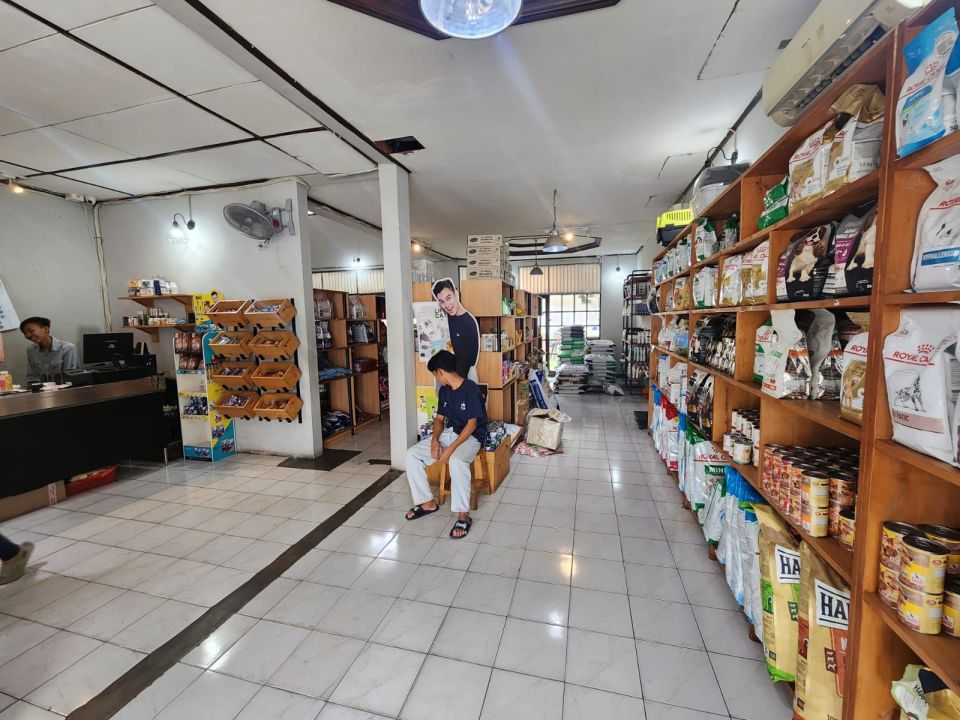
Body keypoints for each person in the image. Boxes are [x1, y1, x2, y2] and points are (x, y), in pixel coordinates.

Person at [405, 350, 488, 539]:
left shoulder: (470, 388)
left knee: (457, 461)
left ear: (440, 372)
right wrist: (435, 441)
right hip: (451, 433)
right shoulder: (444, 390)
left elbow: (472, 424)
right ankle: (427, 503)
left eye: (435, 375)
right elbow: (439, 419)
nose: (436, 379)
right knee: (412, 455)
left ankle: (463, 516)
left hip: (472, 437)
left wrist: (450, 450)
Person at [432, 279, 479, 382]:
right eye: (442, 302)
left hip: (460, 381)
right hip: (446, 378)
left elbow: (466, 362)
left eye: (448, 298)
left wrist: (454, 384)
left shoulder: (468, 323)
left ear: (455, 294)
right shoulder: (445, 319)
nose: (447, 305)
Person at [20, 316, 79, 381]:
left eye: (31, 331)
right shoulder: (31, 350)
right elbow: (32, 376)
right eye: (25, 333)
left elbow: (70, 377)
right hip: (41, 387)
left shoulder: (68, 348)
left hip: (63, 386)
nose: (28, 335)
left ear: (46, 329)